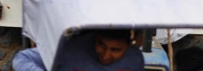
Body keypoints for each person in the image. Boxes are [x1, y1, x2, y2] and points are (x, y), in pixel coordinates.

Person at [13, 30, 144, 71]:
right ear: (95, 37)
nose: (106, 55)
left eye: (115, 50)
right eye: (101, 45)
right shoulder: (71, 48)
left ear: (129, 46)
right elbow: (23, 58)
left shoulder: (134, 59)